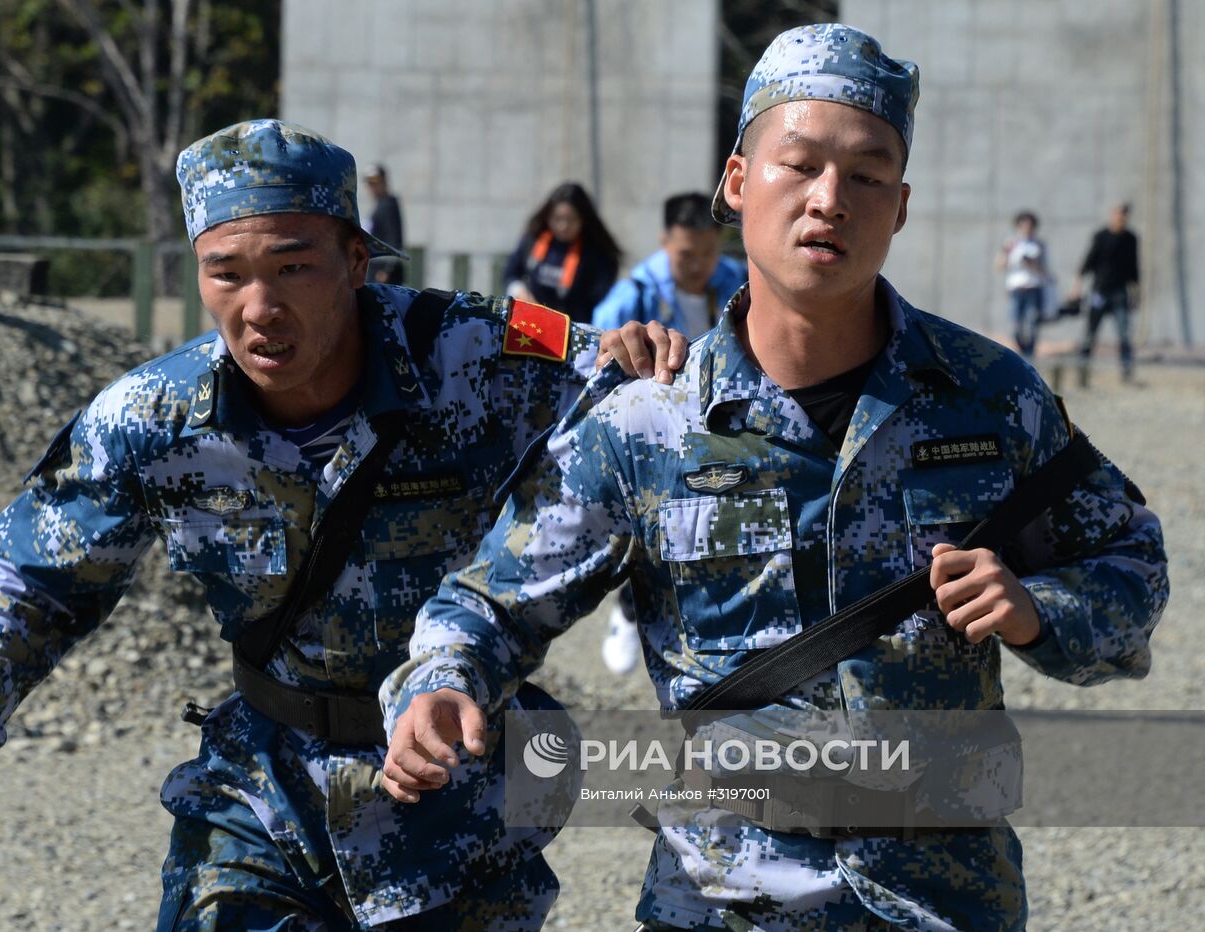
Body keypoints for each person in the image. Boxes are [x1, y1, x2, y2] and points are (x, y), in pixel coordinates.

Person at [383, 24, 1168, 931]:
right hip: (724, 901)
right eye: (799, 165)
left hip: (942, 900)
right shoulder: (648, 425)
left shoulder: (992, 398)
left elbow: (1131, 559)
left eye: (867, 174)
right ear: (737, 181)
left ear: (901, 206)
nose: (829, 199)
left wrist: (1038, 610)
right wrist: (441, 682)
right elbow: (489, 603)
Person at [0, 119, 690, 930]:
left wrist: (646, 361)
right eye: (225, 273)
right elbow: (29, 578)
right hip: (263, 795)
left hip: (459, 803)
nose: (259, 307)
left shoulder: (480, 359)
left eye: (294, 267)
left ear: (356, 262)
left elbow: (649, 417)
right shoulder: (156, 419)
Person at [591, 191, 749, 675]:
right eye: (686, 254)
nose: (699, 265)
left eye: (709, 252)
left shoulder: (737, 282)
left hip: (727, 427)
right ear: (664, 243)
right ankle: (629, 610)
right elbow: (592, 363)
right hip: (655, 436)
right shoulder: (634, 294)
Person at [502, 181, 621, 319]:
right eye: (557, 218)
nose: (563, 226)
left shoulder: (597, 255)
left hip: (573, 330)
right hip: (529, 324)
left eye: (571, 219)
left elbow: (600, 301)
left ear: (583, 219)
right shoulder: (533, 240)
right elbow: (511, 274)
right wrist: (520, 291)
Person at [1071, 202, 1140, 384]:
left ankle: (1127, 374)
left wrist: (1136, 293)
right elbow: (1087, 262)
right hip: (1099, 291)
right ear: (1112, 215)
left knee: (1124, 334)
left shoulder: (1131, 238)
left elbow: (1134, 268)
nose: (1121, 218)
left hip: (1120, 292)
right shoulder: (1101, 236)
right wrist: (1077, 287)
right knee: (1090, 334)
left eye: (1124, 215)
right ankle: (1082, 374)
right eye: (1118, 214)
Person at [994, 210, 1051, 356]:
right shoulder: (1011, 243)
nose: (1026, 228)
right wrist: (1007, 253)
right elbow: (999, 265)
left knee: (1032, 325)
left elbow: (1045, 271)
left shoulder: (1039, 244)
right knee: (1015, 326)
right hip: (1016, 289)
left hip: (1033, 288)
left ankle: (1030, 354)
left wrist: (1031, 263)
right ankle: (1023, 351)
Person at [364, 163, 405, 285]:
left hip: (382, 271)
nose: (372, 187)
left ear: (384, 182)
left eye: (376, 183)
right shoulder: (379, 205)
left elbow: (395, 239)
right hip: (374, 268)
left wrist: (387, 270)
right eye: (370, 183)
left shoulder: (388, 205)